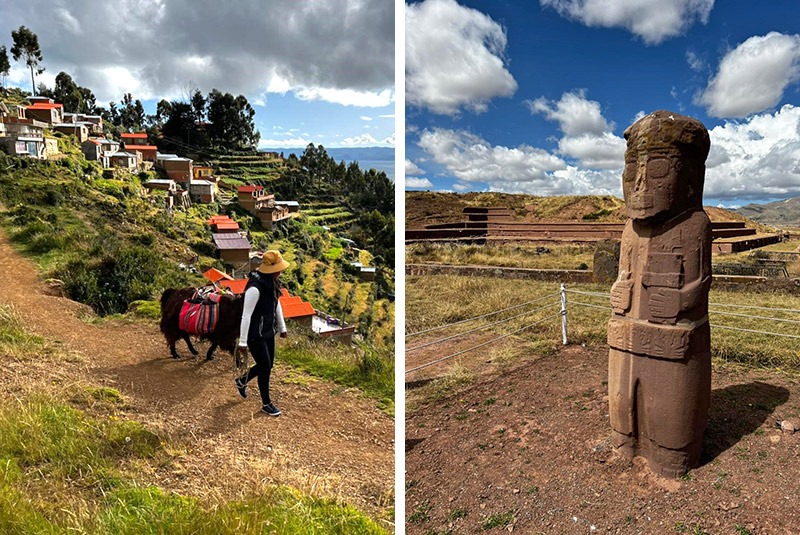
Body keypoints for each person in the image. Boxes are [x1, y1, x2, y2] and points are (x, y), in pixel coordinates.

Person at [235, 250, 289, 416]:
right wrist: (243, 342)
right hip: (254, 335)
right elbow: (246, 315)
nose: (280, 271)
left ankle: (241, 381)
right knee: (265, 366)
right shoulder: (254, 288)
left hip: (267, 332)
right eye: (278, 268)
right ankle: (266, 403)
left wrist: (282, 327)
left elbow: (275, 303)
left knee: (268, 365)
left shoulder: (271, 283)